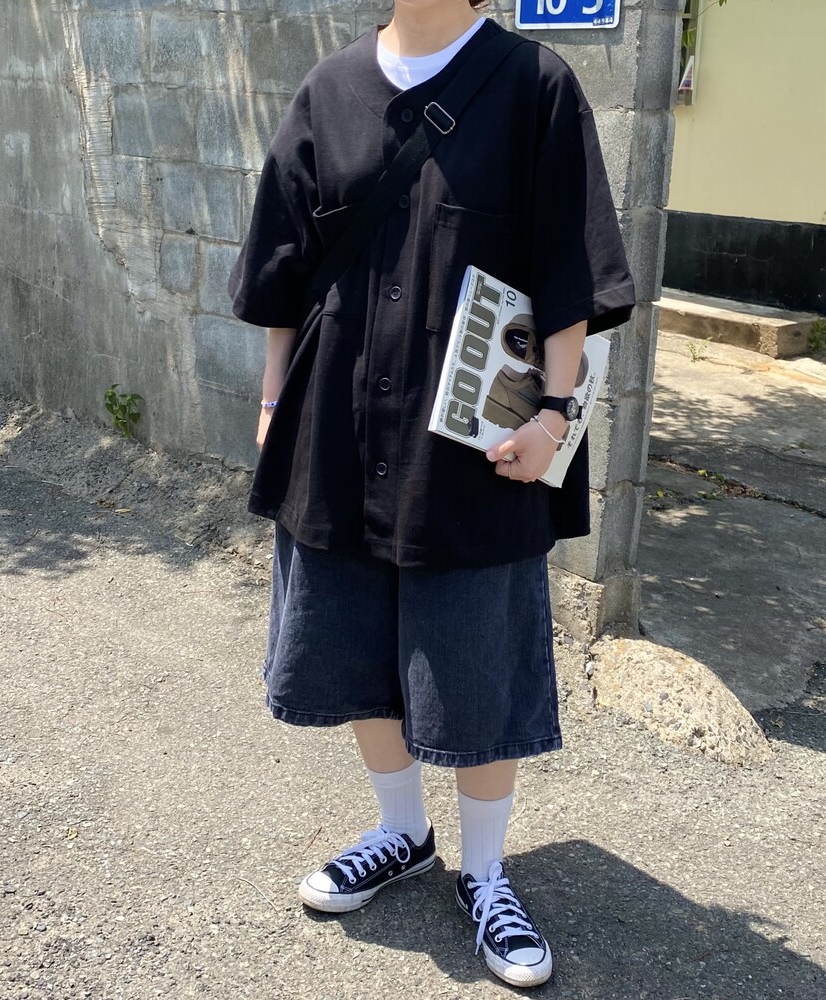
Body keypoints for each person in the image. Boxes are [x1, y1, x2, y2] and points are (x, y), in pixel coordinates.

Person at [229, 0, 635, 987]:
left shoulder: (535, 86)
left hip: (475, 445)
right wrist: (274, 399)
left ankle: (486, 871)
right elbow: (284, 263)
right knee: (356, 644)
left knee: (475, 659)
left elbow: (570, 268)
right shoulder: (329, 89)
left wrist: (554, 416)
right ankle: (402, 833)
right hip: (338, 426)